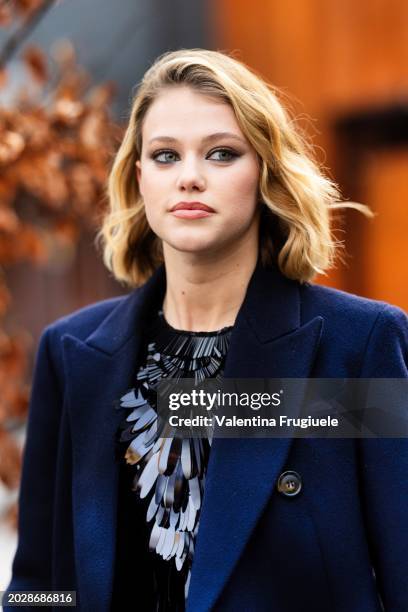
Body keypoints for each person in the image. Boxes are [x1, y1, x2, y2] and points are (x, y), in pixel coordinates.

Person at [5, 48, 408, 612]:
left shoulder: (358, 345)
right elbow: (40, 587)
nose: (190, 178)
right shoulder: (73, 355)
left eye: (221, 154)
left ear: (264, 170)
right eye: (166, 156)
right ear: (140, 178)